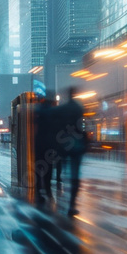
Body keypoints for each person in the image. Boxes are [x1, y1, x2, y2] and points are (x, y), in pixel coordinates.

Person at [54, 87, 87, 217]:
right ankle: (72, 205)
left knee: (65, 170)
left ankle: (64, 198)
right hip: (77, 143)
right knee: (75, 173)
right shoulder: (79, 108)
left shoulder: (63, 108)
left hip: (65, 143)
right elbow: (81, 125)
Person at [34, 97, 58, 204]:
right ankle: (48, 191)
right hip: (49, 145)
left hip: (39, 144)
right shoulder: (53, 113)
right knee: (48, 168)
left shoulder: (38, 111)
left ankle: (38, 192)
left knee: (38, 168)